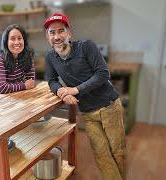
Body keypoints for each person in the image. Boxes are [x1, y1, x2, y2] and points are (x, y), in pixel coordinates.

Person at [44, 13, 126, 180]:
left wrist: (75, 90)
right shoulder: (50, 57)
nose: (57, 36)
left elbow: (103, 73)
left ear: (69, 33)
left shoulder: (85, 46)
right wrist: (61, 92)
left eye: (61, 31)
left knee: (117, 151)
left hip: (109, 106)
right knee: (101, 154)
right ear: (48, 37)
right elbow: (51, 80)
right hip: (88, 113)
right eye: (52, 32)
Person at [0, 24, 35, 98]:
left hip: (8, 96)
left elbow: (30, 82)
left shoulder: (28, 56)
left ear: (24, 40)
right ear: (6, 42)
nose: (17, 42)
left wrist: (25, 85)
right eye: (12, 39)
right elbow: (2, 87)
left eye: (19, 38)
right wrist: (23, 85)